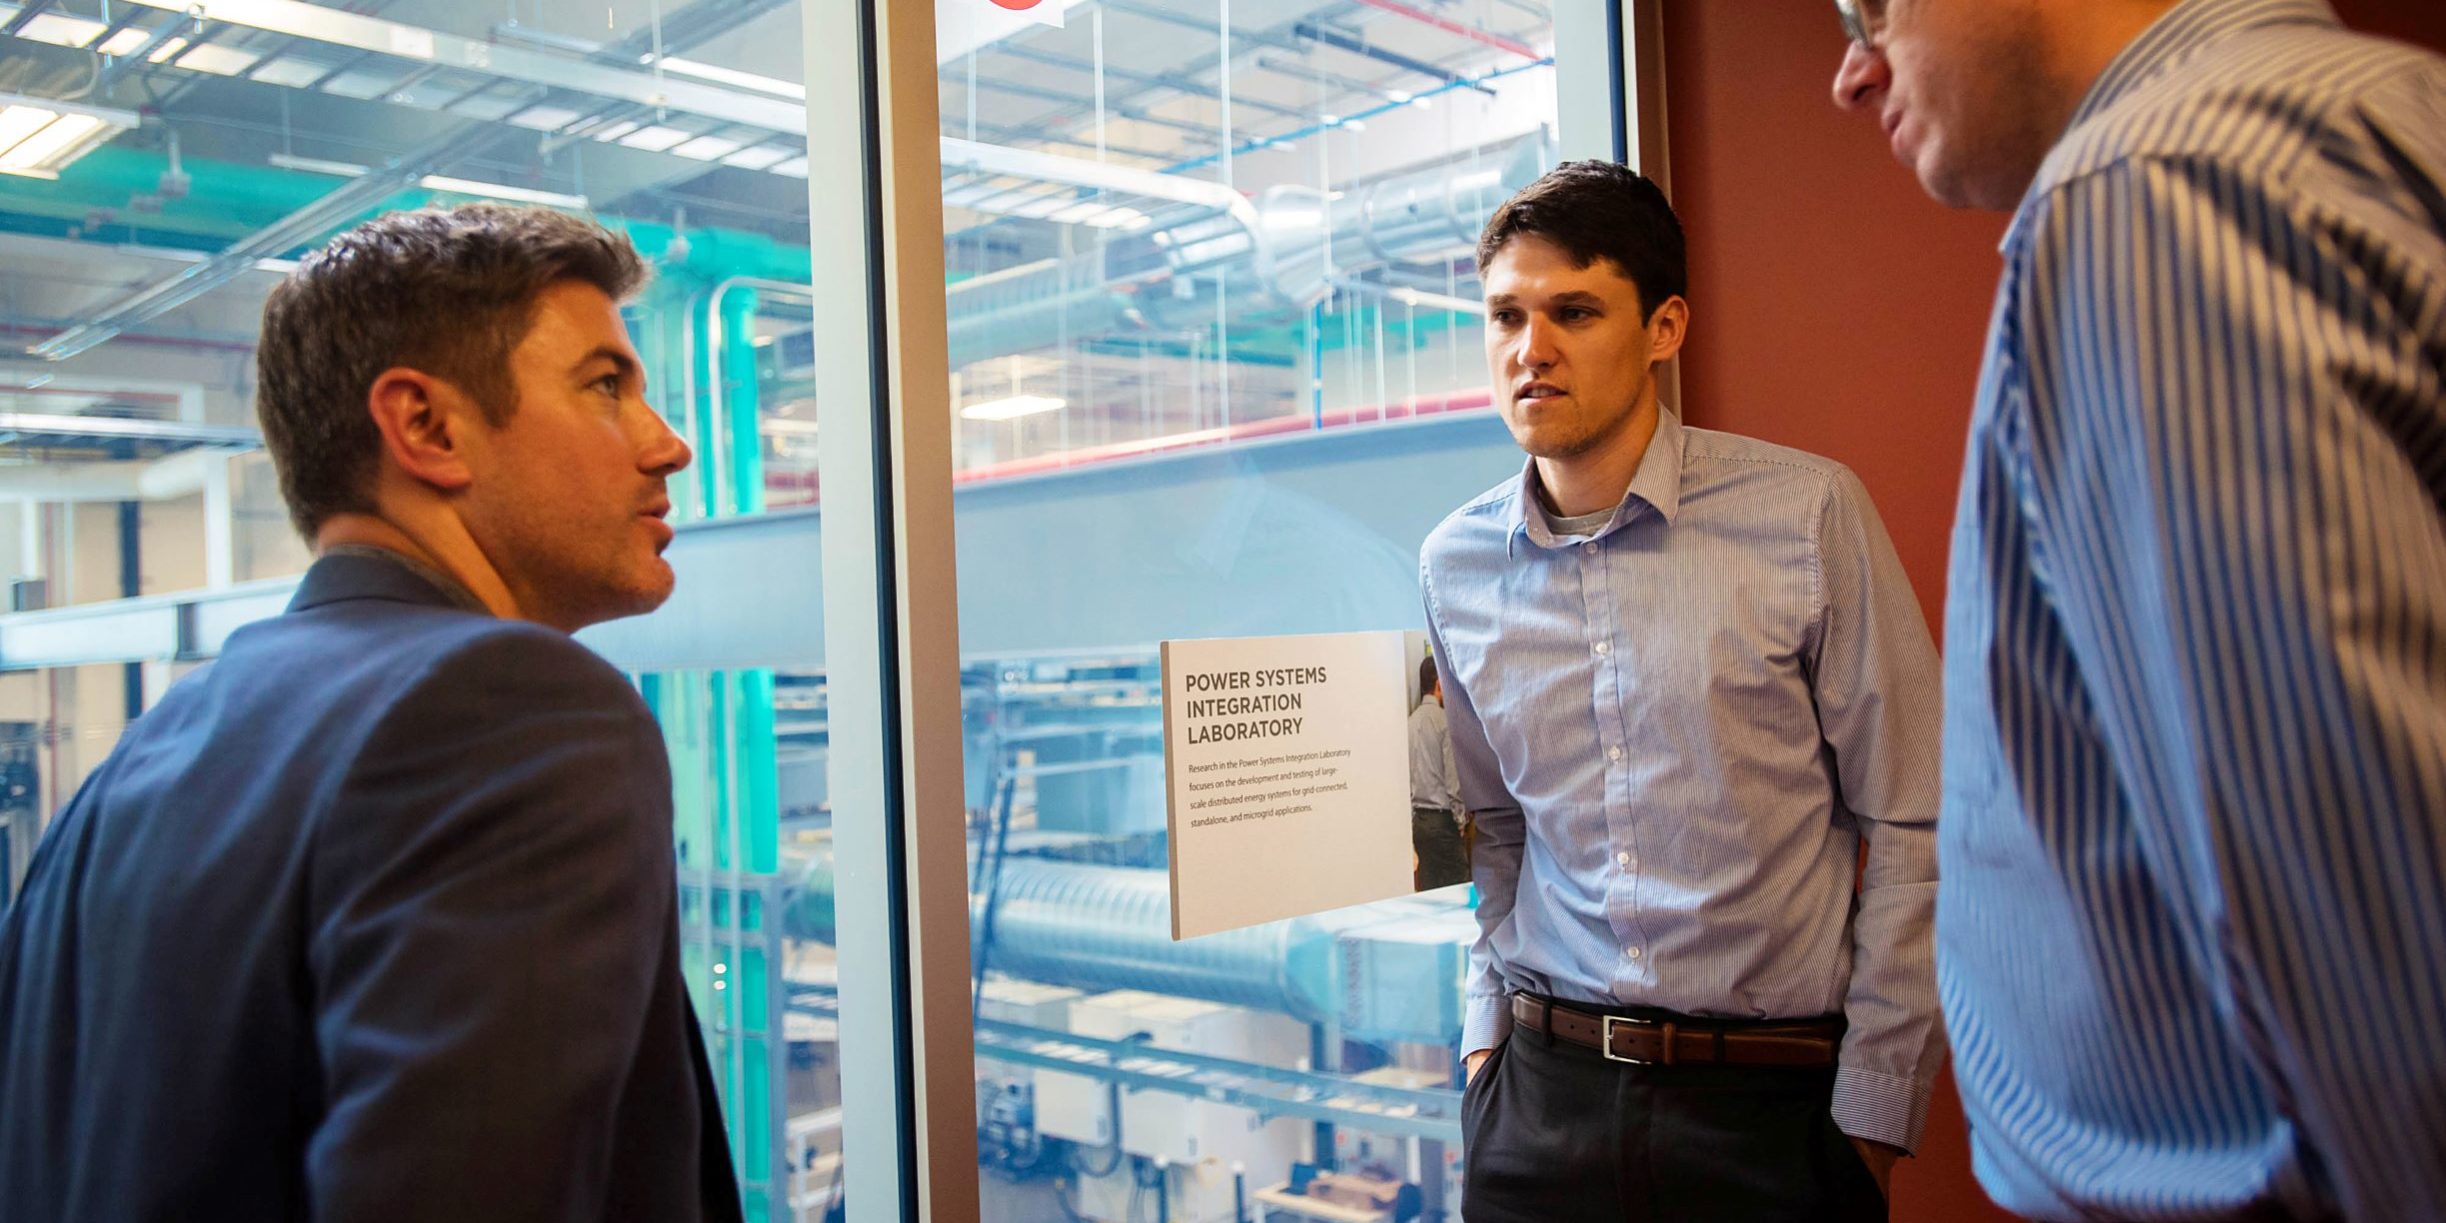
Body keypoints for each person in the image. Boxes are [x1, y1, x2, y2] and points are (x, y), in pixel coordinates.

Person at [0, 203, 743, 1222]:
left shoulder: (128, 773)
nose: (669, 445)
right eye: (605, 385)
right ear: (427, 427)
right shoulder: (512, 712)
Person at [1831, 1, 2446, 1217]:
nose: (1851, 75)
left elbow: (2354, 917)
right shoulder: (2388, 107)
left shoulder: (2152, 189)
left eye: (1870, 7)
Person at [1421, 159, 1944, 1222]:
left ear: (1664, 327)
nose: (1531, 348)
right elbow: (1492, 830)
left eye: (1574, 312)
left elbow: (1915, 822)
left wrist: (1871, 1120)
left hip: (1771, 1113)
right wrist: (1483, 1051)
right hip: (1538, 1102)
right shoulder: (1452, 564)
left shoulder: (1807, 515)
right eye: (1506, 315)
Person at [1408, 653, 1469, 891]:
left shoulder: (1409, 723)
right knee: (1459, 890)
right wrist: (1460, 820)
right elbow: (1453, 781)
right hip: (1443, 823)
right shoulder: (1445, 722)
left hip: (1419, 824)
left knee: (1430, 891)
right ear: (1439, 684)